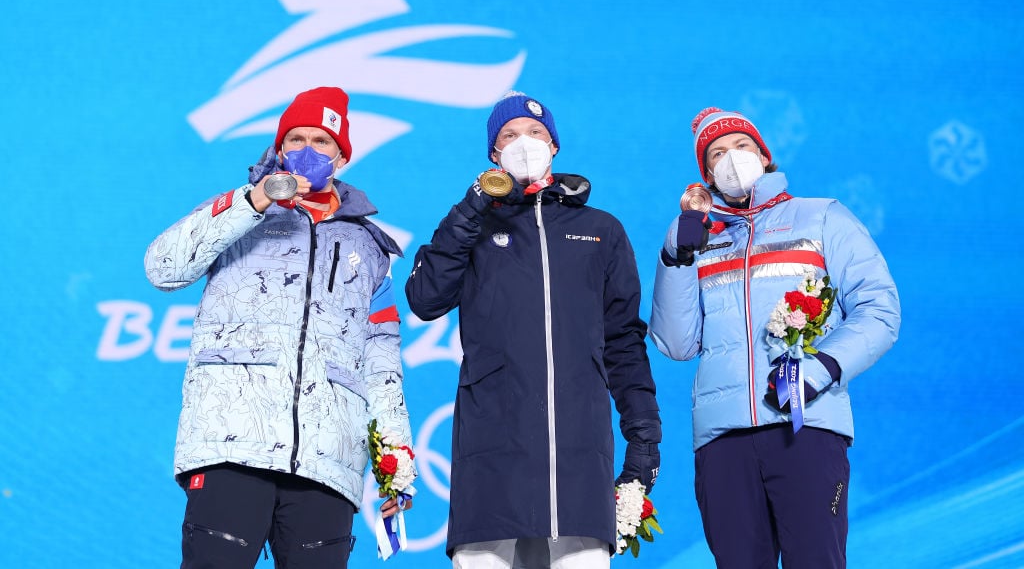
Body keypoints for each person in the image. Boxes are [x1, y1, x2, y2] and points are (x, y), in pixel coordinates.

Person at [144, 86, 415, 569]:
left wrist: (394, 466)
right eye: (295, 139)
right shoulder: (239, 213)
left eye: (321, 141)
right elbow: (163, 267)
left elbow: (381, 360)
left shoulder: (370, 248)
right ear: (278, 148)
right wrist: (253, 201)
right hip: (232, 444)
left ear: (342, 155)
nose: (307, 150)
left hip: (327, 459)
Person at [405, 91, 661, 569]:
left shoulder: (601, 230)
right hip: (491, 449)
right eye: (510, 136)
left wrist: (643, 431)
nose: (525, 142)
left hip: (579, 456)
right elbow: (424, 298)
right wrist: (472, 207)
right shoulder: (470, 228)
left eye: (536, 133)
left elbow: (624, 340)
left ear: (555, 146)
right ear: (492, 154)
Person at [649, 107, 901, 569]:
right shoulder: (697, 238)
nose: (731, 159)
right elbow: (676, 343)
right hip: (723, 440)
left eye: (741, 147)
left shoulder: (822, 218)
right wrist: (676, 255)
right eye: (717, 154)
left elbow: (879, 311)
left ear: (764, 155)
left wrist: (820, 370)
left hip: (804, 427)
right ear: (706, 174)